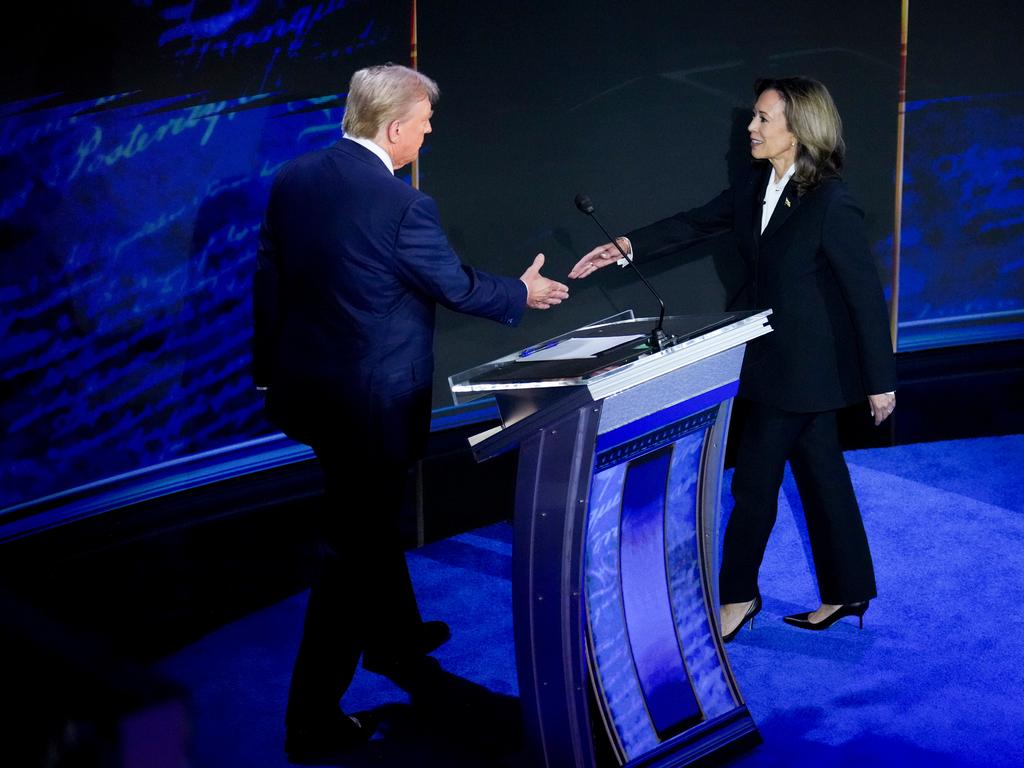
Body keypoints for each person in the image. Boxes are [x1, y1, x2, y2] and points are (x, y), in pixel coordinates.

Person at [253, 63, 569, 761]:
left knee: (364, 522)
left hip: (315, 398)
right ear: (396, 128)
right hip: (372, 407)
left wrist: (267, 379)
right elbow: (451, 283)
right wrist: (520, 292)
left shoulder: (295, 179)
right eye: (425, 123)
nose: (429, 133)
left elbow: (269, 283)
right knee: (351, 555)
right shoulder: (402, 206)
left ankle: (395, 641)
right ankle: (310, 720)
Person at [568, 77, 896, 643]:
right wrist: (626, 245)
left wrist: (880, 381)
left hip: (803, 371)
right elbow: (695, 223)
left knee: (754, 483)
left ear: (797, 130)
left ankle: (738, 596)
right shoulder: (754, 186)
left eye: (764, 119)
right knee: (822, 475)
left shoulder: (832, 202)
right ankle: (849, 588)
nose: (752, 127)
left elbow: (864, 295)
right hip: (768, 358)